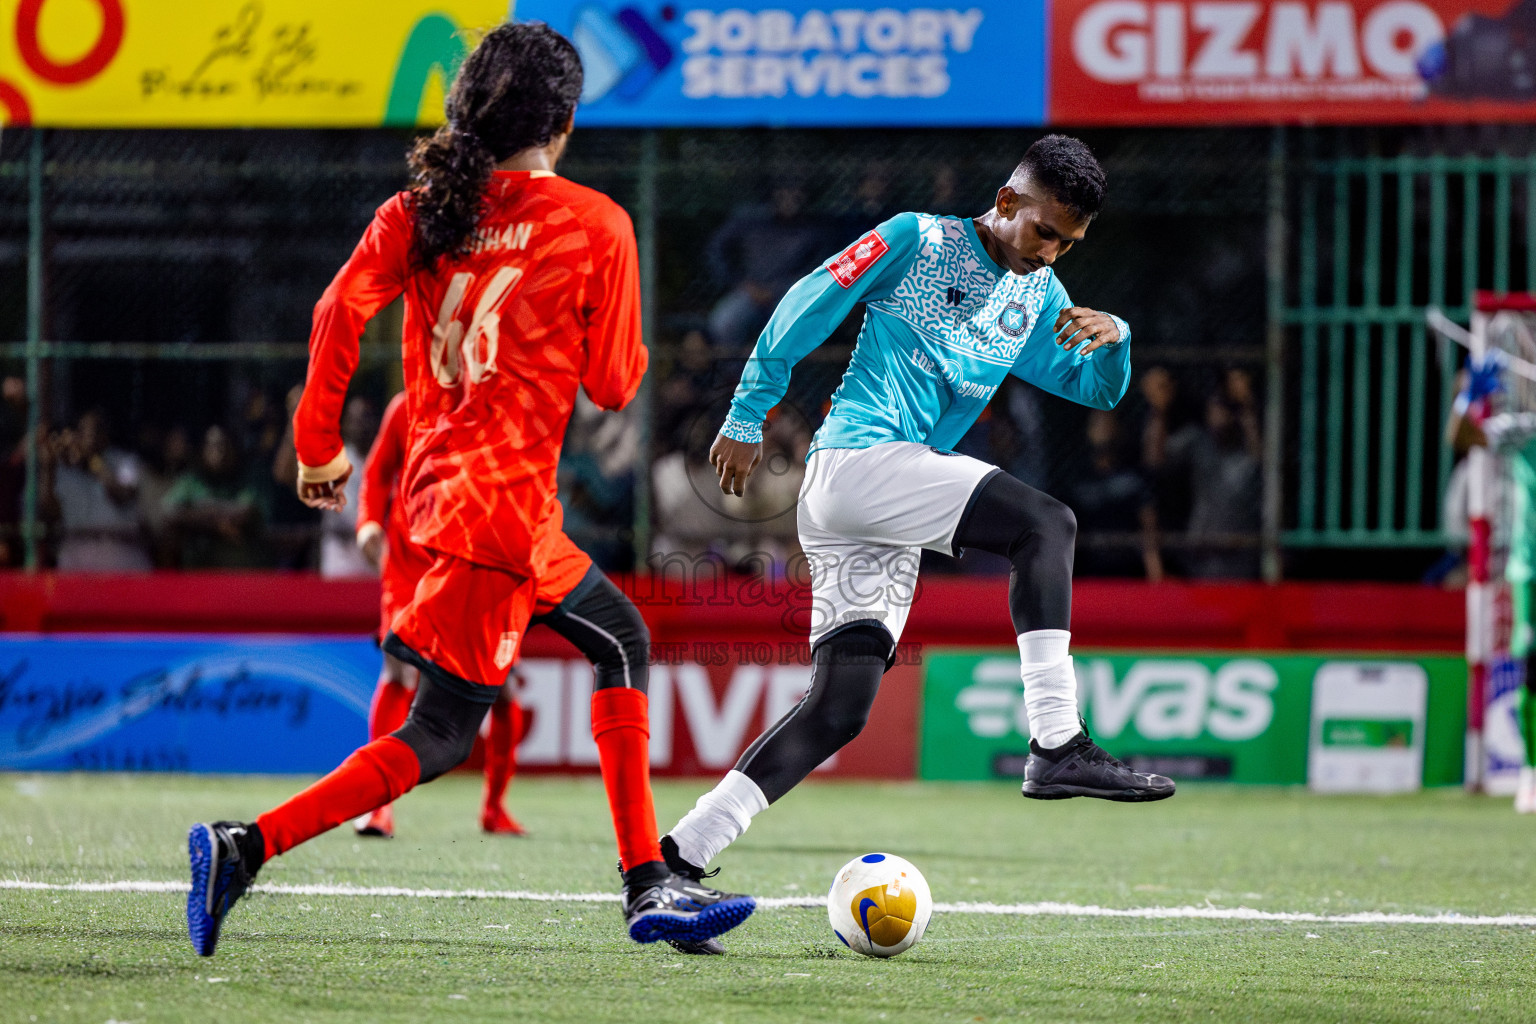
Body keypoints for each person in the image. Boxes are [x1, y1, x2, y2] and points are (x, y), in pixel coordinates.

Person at [184, 21, 753, 958]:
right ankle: (243, 847)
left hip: (462, 503)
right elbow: (616, 385)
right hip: (499, 514)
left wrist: (319, 447)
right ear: (565, 122)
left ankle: (649, 883)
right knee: (443, 733)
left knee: (620, 637)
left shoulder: (420, 210)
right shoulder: (596, 222)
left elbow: (335, 311)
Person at [660, 134, 1175, 910]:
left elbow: (1096, 391)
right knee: (1046, 525)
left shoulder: (1037, 294)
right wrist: (746, 413)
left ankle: (678, 856)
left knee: (839, 710)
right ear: (1006, 201)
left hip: (880, 504)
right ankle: (1056, 740)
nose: (1050, 255)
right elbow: (807, 302)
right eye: (1044, 232)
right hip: (860, 462)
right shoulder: (918, 239)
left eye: (1068, 245)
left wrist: (1117, 339)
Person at [351, 390, 526, 839]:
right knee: (398, 669)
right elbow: (377, 472)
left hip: (476, 561)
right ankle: (378, 806)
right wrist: (368, 522)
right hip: (409, 562)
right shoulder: (405, 406)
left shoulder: (496, 404)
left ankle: (495, 808)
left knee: (502, 687)